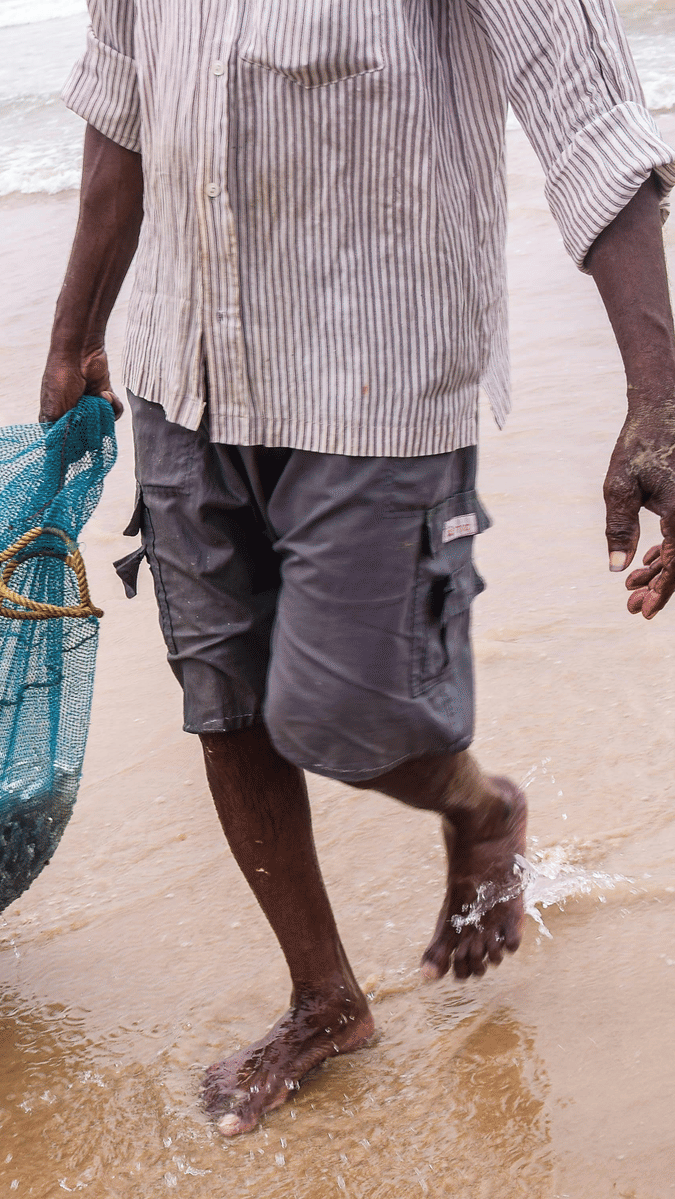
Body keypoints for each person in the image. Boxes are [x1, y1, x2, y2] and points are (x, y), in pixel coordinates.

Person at [40, 1, 675, 1136]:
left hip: (376, 376)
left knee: (337, 711)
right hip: (181, 368)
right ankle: (323, 998)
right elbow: (119, 111)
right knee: (224, 701)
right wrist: (71, 333)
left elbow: (587, 117)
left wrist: (657, 400)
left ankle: (479, 809)